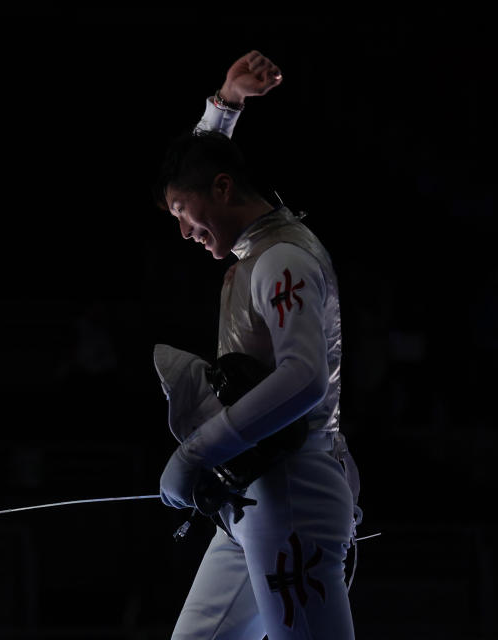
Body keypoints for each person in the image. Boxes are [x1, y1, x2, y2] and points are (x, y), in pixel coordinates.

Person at [152, 51, 363, 639]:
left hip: (292, 493)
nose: (183, 230)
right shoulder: (256, 243)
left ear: (222, 190)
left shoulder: (283, 259)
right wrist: (223, 106)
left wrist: (198, 452)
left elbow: (304, 378)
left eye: (182, 213)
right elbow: (201, 168)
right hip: (254, 495)